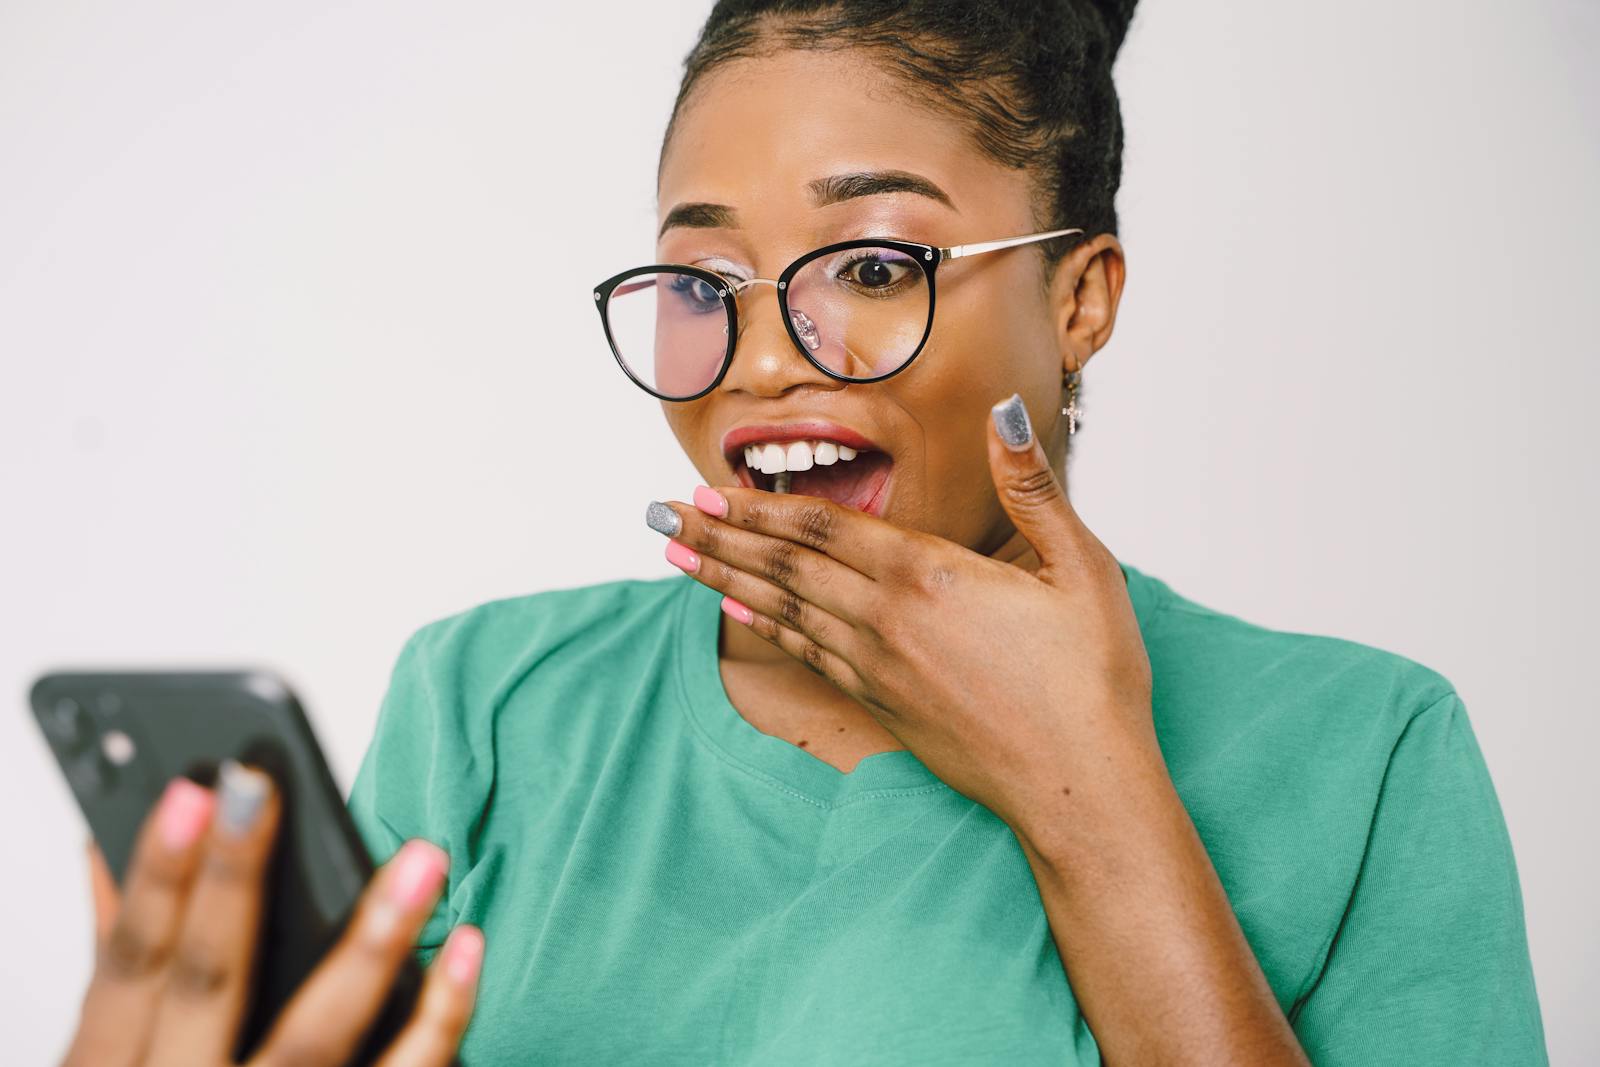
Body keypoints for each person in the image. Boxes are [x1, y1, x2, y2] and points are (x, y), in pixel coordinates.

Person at [58, 2, 1547, 1064]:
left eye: (874, 264)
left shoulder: (1364, 753)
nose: (765, 361)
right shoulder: (489, 705)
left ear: (1080, 296)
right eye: (704, 284)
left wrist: (1086, 789)